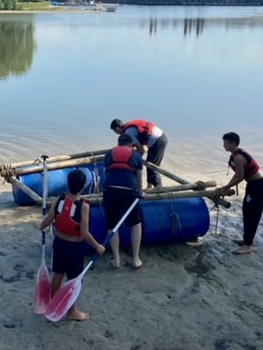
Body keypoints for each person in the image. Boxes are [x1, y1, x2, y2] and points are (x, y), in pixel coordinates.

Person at [39, 169, 105, 322]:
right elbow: (84, 233)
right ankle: (72, 311)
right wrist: (97, 246)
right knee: (74, 280)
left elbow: (48, 220)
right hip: (74, 247)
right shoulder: (84, 206)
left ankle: (53, 303)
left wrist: (41, 226)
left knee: (58, 273)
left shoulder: (59, 199)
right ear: (83, 187)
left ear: (68, 184)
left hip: (59, 243)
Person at [218, 132, 263, 255]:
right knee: (246, 212)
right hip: (252, 185)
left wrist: (226, 187)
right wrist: (226, 187)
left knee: (252, 214)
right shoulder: (235, 155)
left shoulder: (239, 158)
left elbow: (240, 177)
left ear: (233, 144)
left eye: (226, 143)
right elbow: (237, 174)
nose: (223, 145)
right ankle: (246, 240)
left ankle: (247, 246)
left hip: (258, 186)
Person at [102, 133, 144, 269]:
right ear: (131, 145)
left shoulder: (109, 154)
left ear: (118, 144)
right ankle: (136, 259)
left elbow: (105, 174)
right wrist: (140, 192)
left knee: (112, 225)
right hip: (129, 192)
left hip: (110, 191)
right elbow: (139, 179)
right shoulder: (136, 155)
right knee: (136, 223)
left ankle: (117, 260)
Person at [110, 118, 168, 188]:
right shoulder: (129, 129)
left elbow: (141, 150)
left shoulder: (129, 133)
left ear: (118, 128)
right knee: (150, 164)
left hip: (158, 140)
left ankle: (159, 189)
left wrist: (134, 160)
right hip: (158, 138)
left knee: (152, 167)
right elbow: (139, 147)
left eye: (115, 131)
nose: (116, 133)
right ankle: (149, 187)